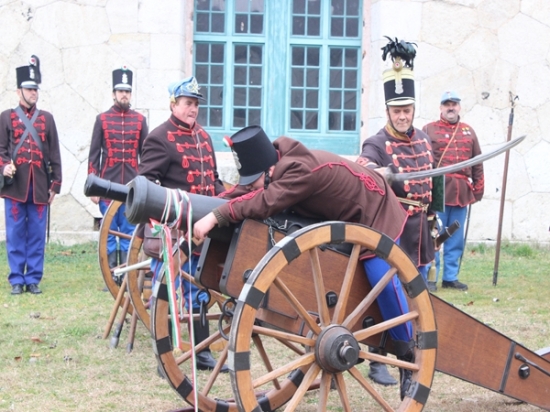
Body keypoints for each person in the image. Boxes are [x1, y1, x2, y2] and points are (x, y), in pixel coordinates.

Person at [193, 125, 415, 399]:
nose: (249, 186)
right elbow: (245, 193)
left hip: (375, 211)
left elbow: (265, 201)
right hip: (340, 217)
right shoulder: (272, 164)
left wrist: (217, 216)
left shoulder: (298, 171)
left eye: (253, 181)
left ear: (269, 172)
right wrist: (199, 211)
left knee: (381, 280)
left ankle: (408, 354)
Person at [356, 38, 436, 386]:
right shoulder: (376, 143)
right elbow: (362, 170)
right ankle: (382, 362)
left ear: (413, 109)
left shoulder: (424, 140)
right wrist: (380, 172)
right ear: (387, 112)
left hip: (421, 233)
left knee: (417, 302)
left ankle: (413, 362)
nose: (402, 116)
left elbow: (433, 186)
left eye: (407, 110)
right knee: (388, 295)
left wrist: (435, 221)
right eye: (396, 111)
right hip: (393, 229)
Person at [138, 76, 228, 372]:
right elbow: (146, 184)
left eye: (196, 104)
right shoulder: (159, 137)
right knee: (165, 294)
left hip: (201, 232)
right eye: (188, 103)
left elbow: (213, 181)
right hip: (172, 233)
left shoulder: (204, 137)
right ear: (173, 104)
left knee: (200, 291)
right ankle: (163, 357)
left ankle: (202, 353)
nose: (193, 109)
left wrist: (225, 205)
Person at [0, 55, 62, 295]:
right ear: (19, 91)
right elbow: (1, 150)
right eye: (29, 89)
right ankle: (17, 278)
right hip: (15, 186)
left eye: (35, 89)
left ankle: (33, 277)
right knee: (15, 234)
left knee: (36, 234)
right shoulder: (6, 117)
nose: (33, 92)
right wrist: (4, 167)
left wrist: (55, 185)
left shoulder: (47, 118)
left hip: (39, 186)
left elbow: (54, 153)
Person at [87, 66, 148, 282]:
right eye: (121, 91)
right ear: (114, 93)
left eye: (127, 91)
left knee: (130, 233)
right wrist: (94, 187)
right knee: (111, 234)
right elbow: (94, 155)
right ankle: (112, 276)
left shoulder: (140, 121)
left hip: (132, 188)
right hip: (107, 185)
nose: (124, 95)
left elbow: (145, 156)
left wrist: (146, 185)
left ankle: (128, 276)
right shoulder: (102, 119)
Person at [422, 91, 484, 291]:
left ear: (459, 107)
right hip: (437, 188)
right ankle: (431, 277)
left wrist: (478, 189)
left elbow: (477, 162)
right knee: (434, 234)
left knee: (455, 236)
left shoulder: (469, 131)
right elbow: (422, 160)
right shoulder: (428, 130)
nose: (450, 107)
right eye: (447, 104)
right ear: (441, 107)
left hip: (462, 191)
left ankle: (450, 277)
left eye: (454, 104)